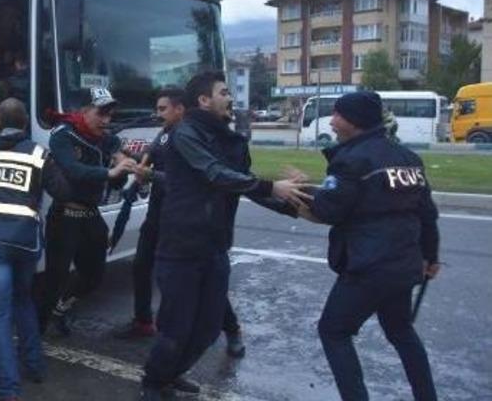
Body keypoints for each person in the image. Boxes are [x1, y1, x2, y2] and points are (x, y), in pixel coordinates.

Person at [139, 72, 307, 400]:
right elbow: (214, 174)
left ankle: (171, 374)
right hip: (181, 248)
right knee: (176, 328)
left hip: (214, 247)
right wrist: (271, 185)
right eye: (224, 92)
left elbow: (243, 181)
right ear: (204, 100)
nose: (231, 98)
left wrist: (290, 203)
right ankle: (154, 383)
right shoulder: (185, 133)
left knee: (208, 327)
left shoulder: (231, 140)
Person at [296, 91, 440, 401]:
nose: (332, 121)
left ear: (355, 121)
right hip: (405, 264)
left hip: (369, 267)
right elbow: (427, 214)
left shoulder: (351, 160)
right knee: (402, 332)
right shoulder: (408, 158)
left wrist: (300, 193)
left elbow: (330, 210)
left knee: (333, 331)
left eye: (337, 115)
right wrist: (431, 256)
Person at [114, 87, 247, 357]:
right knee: (141, 266)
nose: (158, 113)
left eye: (163, 109)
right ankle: (143, 322)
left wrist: (151, 176)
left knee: (203, 285)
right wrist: (127, 156)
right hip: (157, 215)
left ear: (180, 109)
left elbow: (188, 180)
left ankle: (231, 329)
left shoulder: (190, 139)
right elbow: (152, 160)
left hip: (180, 220)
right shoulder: (164, 134)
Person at [0, 97, 71, 401]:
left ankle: (8, 390)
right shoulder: (39, 154)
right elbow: (61, 190)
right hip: (25, 242)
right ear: (23, 123)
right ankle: (34, 367)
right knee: (23, 301)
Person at [40, 87, 137, 336]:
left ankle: (60, 309)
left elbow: (116, 171)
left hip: (91, 213)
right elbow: (73, 170)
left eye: (109, 115)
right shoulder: (62, 135)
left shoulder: (106, 137)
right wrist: (110, 172)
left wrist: (127, 167)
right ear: (83, 111)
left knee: (94, 275)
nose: (106, 121)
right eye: (100, 113)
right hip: (65, 215)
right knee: (55, 277)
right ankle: (35, 334)